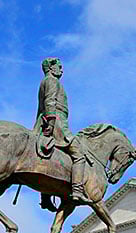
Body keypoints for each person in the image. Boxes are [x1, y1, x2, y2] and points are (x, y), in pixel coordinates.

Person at [33, 57, 89, 209]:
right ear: (51, 68)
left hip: (49, 121)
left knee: (49, 158)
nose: (62, 70)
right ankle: (77, 190)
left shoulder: (45, 82)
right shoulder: (52, 81)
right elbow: (49, 101)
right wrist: (52, 122)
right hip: (57, 122)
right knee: (79, 154)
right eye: (59, 66)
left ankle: (45, 198)